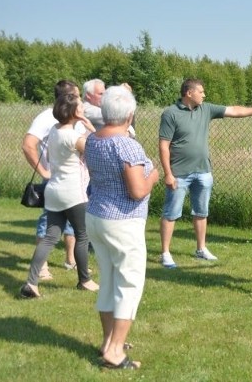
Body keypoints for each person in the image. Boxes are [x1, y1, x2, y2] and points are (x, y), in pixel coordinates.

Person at [158, 78, 252, 268]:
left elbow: (234, 110)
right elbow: (163, 146)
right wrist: (168, 173)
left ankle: (201, 249)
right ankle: (165, 253)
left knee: (201, 212)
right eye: (201, 92)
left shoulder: (206, 109)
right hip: (179, 173)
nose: (204, 95)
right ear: (189, 93)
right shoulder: (171, 113)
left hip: (203, 171)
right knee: (171, 213)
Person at [84, 86, 159, 370]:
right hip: (122, 221)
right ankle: (115, 351)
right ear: (130, 114)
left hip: (96, 216)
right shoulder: (126, 144)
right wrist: (154, 175)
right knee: (129, 284)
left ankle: (107, 342)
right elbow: (137, 190)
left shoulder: (92, 139)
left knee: (109, 281)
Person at [20, 90, 99, 298]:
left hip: (53, 190)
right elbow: (97, 147)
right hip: (74, 193)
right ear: (73, 112)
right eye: (81, 107)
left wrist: (79, 120)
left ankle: (31, 283)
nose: (83, 109)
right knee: (82, 236)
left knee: (49, 238)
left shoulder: (54, 130)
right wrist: (89, 126)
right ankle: (85, 280)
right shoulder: (74, 137)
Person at [21, 80, 81, 279]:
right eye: (77, 95)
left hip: (74, 181)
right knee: (48, 223)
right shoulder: (46, 117)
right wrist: (45, 172)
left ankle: (70, 260)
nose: (80, 99)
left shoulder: (73, 118)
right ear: (67, 97)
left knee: (72, 222)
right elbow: (28, 144)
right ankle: (42, 267)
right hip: (54, 180)